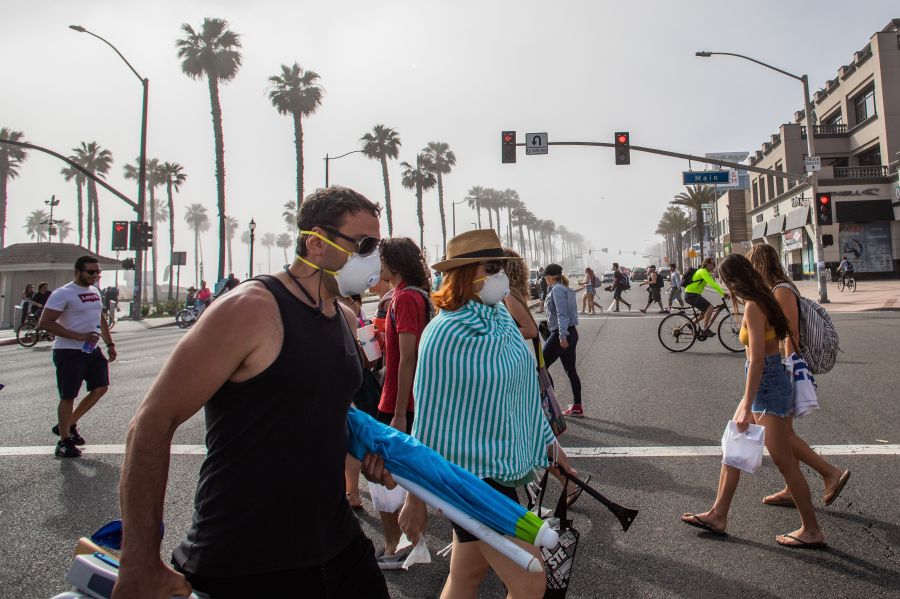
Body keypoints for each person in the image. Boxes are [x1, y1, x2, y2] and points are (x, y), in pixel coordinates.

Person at [112, 187, 394, 599]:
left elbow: (322, 412)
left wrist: (371, 453)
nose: (374, 258)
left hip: (338, 544)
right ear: (316, 243)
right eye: (364, 245)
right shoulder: (249, 309)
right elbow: (151, 423)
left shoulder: (346, 319)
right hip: (246, 558)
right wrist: (138, 563)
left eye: (378, 246)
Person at [399, 230, 571, 599]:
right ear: (465, 274)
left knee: (466, 577)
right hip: (470, 482)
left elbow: (522, 395)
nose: (502, 277)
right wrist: (415, 496)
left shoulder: (502, 321)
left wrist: (551, 446)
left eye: (503, 268)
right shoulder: (443, 333)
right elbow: (428, 419)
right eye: (492, 268)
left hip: (504, 469)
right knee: (530, 579)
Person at [681, 254, 826, 549]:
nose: (722, 284)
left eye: (723, 279)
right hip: (767, 380)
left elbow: (758, 358)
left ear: (733, 279)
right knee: (735, 444)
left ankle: (811, 530)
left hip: (768, 382)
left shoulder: (754, 305)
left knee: (785, 462)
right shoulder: (763, 299)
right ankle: (718, 514)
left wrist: (747, 404)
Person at [747, 243, 850, 508]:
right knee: (783, 434)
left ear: (759, 265)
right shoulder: (774, 290)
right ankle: (792, 488)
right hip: (779, 367)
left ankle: (830, 473)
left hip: (783, 368)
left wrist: (788, 367)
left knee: (779, 436)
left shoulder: (781, 291)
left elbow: (790, 332)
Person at [503, 249, 587, 506]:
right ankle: (568, 479)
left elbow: (533, 326)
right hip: (537, 350)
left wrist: (560, 335)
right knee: (534, 429)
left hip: (538, 351)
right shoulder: (516, 292)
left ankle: (567, 478)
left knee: (533, 429)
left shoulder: (511, 294)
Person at [373, 237, 433, 569]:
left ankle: (397, 546)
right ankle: (403, 542)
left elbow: (408, 357)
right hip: (404, 398)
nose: (376, 266)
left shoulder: (406, 298)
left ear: (393, 264)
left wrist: (397, 413)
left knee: (385, 476)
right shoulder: (406, 295)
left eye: (381, 260)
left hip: (401, 401)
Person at [38, 256, 117, 458]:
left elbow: (100, 318)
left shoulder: (95, 292)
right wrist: (78, 336)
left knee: (101, 388)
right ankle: (64, 441)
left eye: (97, 272)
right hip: (68, 351)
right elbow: (45, 322)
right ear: (78, 272)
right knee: (68, 395)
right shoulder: (63, 293)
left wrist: (110, 344)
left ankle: (69, 423)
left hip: (91, 350)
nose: (95, 276)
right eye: (90, 272)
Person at [543, 264, 584, 418]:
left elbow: (562, 314)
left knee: (540, 368)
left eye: (546, 276)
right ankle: (577, 406)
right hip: (571, 332)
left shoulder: (557, 289)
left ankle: (551, 407)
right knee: (571, 371)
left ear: (550, 276)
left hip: (562, 333)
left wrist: (562, 335)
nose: (545, 279)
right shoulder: (566, 288)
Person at [684, 256, 726, 338]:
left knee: (705, 313)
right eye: (713, 264)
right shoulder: (702, 271)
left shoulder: (706, 272)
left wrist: (724, 292)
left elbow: (714, 284)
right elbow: (712, 284)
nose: (715, 266)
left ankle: (691, 324)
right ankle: (705, 329)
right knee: (710, 307)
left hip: (693, 294)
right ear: (707, 264)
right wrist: (723, 293)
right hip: (691, 294)